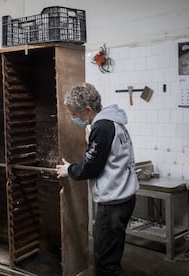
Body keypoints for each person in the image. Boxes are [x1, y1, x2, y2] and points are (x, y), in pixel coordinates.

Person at [56, 82, 139, 276]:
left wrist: (70, 169)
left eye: (75, 115)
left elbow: (92, 168)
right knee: (112, 253)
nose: (73, 119)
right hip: (125, 197)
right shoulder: (113, 122)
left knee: (105, 261)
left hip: (113, 203)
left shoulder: (102, 127)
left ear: (88, 110)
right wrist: (91, 143)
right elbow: (106, 154)